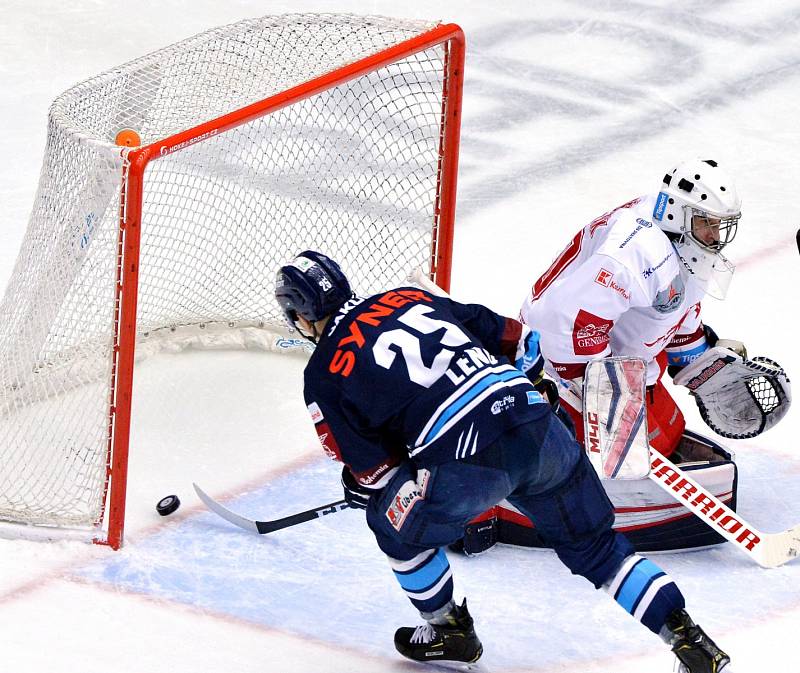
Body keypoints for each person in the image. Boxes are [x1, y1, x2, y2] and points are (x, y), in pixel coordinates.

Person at [275, 249, 730, 673]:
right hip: (538, 426)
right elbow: (520, 338)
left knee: (391, 525)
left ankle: (448, 630)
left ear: (300, 314)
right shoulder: (407, 297)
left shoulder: (321, 374)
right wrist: (526, 389)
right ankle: (685, 636)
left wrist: (369, 488)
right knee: (595, 546)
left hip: (468, 463)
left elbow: (375, 472)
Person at [520, 158, 746, 459]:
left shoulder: (677, 232)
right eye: (707, 223)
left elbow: (678, 301)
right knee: (599, 455)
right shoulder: (635, 251)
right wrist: (605, 388)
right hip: (558, 365)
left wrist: (700, 357)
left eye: (718, 225)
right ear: (678, 214)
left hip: (622, 359)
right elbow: (565, 321)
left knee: (670, 431)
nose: (716, 236)